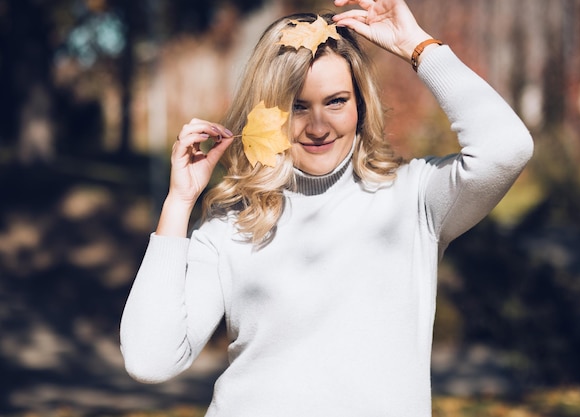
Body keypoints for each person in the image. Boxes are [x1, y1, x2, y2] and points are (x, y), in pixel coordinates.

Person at [120, 0, 533, 415]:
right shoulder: (233, 223)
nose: (318, 126)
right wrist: (179, 201)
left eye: (336, 101)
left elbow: (506, 149)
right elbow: (150, 360)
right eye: (297, 105)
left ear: (361, 106)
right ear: (268, 112)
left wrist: (417, 46)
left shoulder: (414, 198)